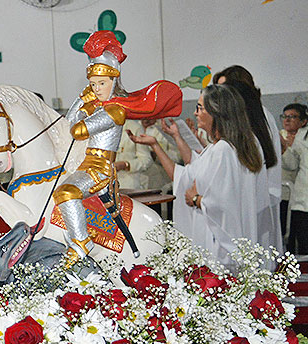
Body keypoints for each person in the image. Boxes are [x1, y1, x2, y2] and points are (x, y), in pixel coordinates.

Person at [52, 30, 181, 267]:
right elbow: (66, 124)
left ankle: (81, 243)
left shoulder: (114, 111)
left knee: (66, 192)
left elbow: (77, 130)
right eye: (93, 84)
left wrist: (85, 103)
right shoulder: (99, 105)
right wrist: (82, 99)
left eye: (102, 83)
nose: (98, 88)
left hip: (100, 169)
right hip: (86, 163)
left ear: (114, 82)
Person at [129, 85, 272, 269]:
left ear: (216, 112)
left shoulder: (223, 150)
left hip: (218, 244)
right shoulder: (230, 146)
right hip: (230, 239)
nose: (195, 113)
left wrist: (196, 199)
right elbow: (187, 173)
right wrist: (158, 144)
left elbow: (223, 203)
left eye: (200, 108)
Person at [213, 65, 283, 251]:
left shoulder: (254, 115)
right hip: (256, 191)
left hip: (257, 191)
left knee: (256, 245)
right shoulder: (257, 113)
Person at [280, 103, 308, 253]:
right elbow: (291, 164)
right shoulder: (297, 139)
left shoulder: (301, 137)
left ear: (303, 121)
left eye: (292, 117)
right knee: (300, 244)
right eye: (285, 117)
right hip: (299, 201)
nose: (287, 120)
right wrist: (284, 148)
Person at [115, 119, 153, 189]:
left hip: (127, 185)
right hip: (100, 185)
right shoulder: (96, 127)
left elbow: (146, 159)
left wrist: (126, 165)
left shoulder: (134, 128)